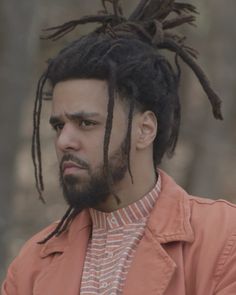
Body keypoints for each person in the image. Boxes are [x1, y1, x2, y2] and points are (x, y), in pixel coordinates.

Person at [2, 0, 236, 294]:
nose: (63, 141)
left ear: (144, 130)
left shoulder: (224, 239)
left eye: (86, 123)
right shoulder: (31, 264)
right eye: (59, 126)